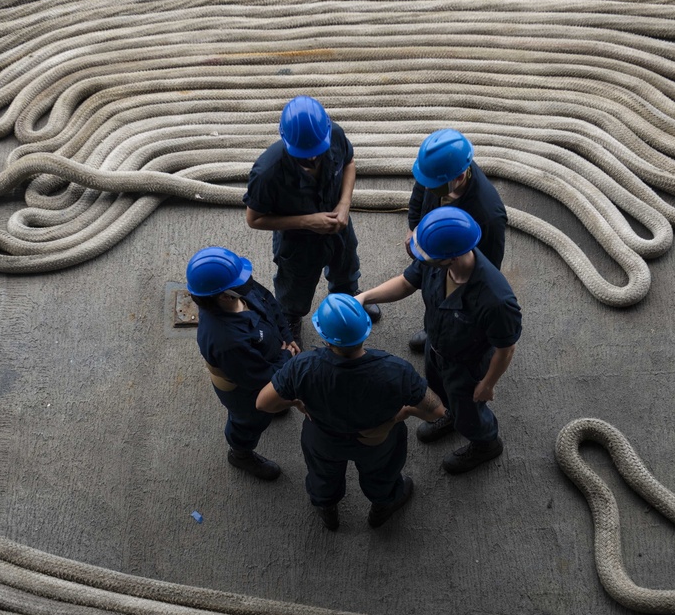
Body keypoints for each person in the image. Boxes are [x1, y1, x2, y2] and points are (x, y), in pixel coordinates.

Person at [256, 294, 446, 530]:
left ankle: (327, 509)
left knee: (322, 474)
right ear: (365, 331)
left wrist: (295, 403)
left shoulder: (302, 367)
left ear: (326, 339)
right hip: (377, 439)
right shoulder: (396, 371)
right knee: (382, 473)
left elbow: (264, 403)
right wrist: (402, 414)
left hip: (323, 437)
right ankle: (384, 505)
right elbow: (436, 411)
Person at [356, 207, 521, 475]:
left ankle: (485, 443)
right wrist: (365, 297)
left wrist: (488, 384)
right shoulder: (437, 261)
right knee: (438, 391)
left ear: (450, 258)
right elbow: (407, 283)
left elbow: (506, 348)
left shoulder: (495, 299)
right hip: (437, 348)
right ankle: (451, 416)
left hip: (468, 367)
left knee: (470, 411)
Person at [244, 95, 381, 348]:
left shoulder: (334, 135)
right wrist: (307, 222)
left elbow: (350, 163)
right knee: (295, 285)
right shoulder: (267, 173)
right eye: (304, 156)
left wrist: (344, 205)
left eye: (318, 153)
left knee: (347, 265)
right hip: (297, 241)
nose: (312, 160)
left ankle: (348, 298)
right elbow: (254, 219)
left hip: (339, 226)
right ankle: (291, 317)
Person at [187, 246, 299, 481]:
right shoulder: (226, 341)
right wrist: (287, 358)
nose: (248, 280)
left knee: (271, 402)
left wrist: (287, 336)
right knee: (248, 420)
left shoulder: (236, 288)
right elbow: (256, 376)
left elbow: (269, 302)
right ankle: (240, 454)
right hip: (245, 388)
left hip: (271, 358)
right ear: (224, 296)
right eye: (242, 279)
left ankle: (273, 405)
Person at [405, 129, 507, 353]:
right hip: (441, 251)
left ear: (460, 177)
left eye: (432, 184)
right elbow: (419, 196)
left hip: (458, 264)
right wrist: (415, 229)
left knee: (455, 310)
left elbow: (489, 266)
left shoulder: (487, 216)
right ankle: (433, 330)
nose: (427, 186)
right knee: (433, 294)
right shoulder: (439, 172)